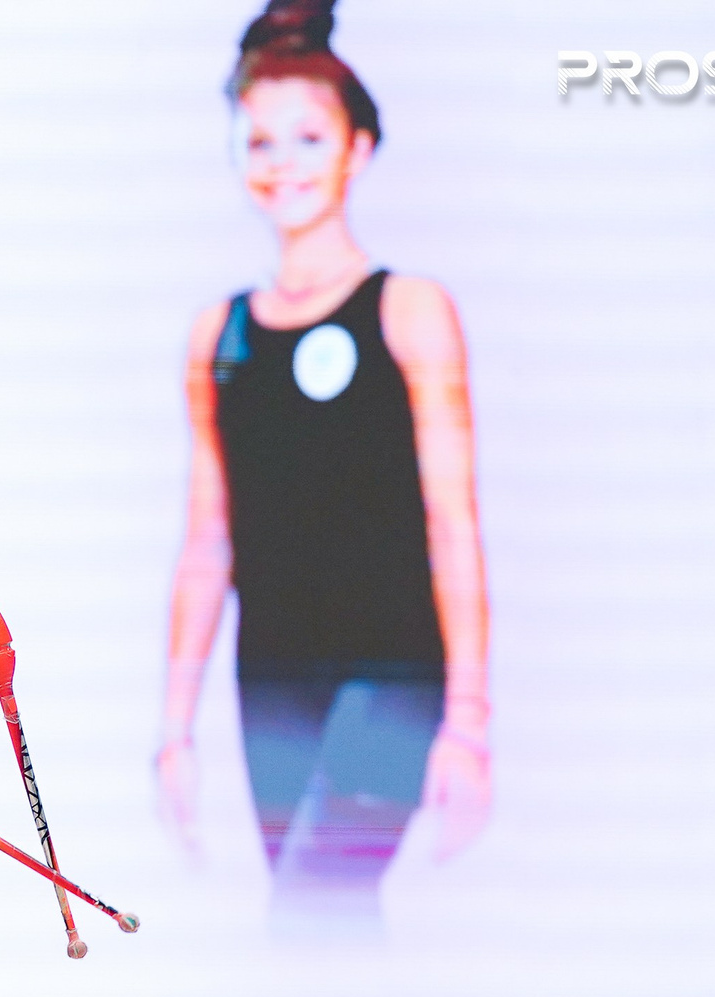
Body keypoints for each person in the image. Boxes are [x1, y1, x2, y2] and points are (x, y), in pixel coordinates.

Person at [156, 0, 491, 925]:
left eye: (308, 137)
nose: (282, 164)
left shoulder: (408, 310)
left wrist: (469, 724)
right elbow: (207, 543)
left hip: (393, 670)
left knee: (313, 902)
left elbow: (452, 525)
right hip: (270, 679)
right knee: (323, 917)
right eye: (258, 142)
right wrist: (173, 732)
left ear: (359, 147)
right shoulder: (217, 333)